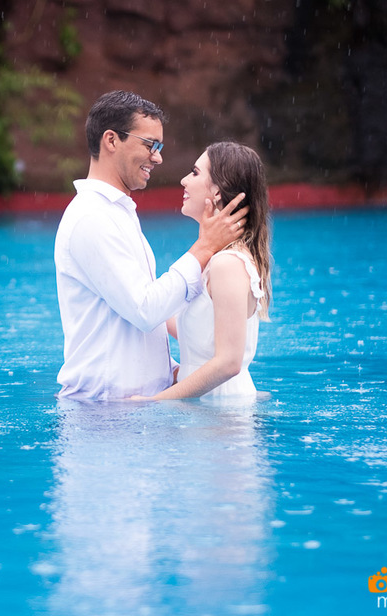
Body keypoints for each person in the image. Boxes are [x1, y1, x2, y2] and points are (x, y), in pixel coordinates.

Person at [54, 91, 247, 400]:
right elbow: (145, 309)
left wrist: (178, 375)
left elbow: (138, 323)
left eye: (159, 147)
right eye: (150, 145)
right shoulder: (91, 218)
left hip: (133, 411)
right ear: (111, 141)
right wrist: (204, 247)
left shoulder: (117, 214)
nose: (157, 157)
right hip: (103, 415)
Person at [130, 141, 272, 401]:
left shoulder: (227, 264)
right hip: (207, 411)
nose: (184, 181)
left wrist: (153, 403)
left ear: (218, 191)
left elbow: (229, 363)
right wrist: (129, 300)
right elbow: (193, 332)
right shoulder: (216, 260)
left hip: (222, 415)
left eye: (195, 173)